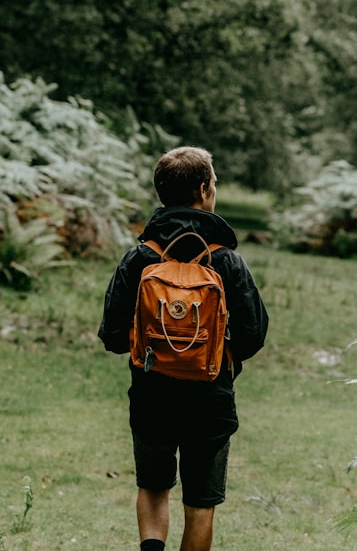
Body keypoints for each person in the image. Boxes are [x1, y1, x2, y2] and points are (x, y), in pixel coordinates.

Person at [99, 146, 268, 551]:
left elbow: (112, 335)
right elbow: (254, 335)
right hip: (210, 397)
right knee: (200, 505)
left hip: (151, 391)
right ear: (204, 188)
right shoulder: (226, 261)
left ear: (162, 194)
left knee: (154, 488)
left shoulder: (141, 257)